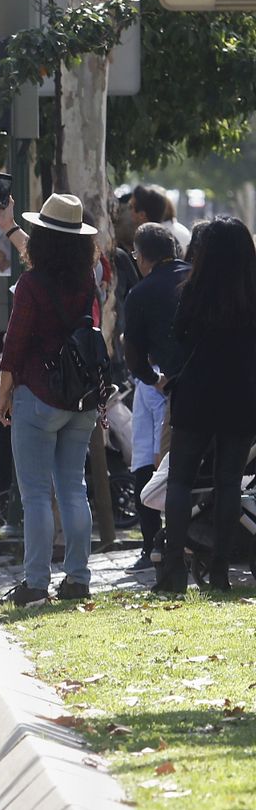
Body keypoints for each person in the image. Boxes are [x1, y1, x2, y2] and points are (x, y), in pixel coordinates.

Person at [0, 194, 100, 606]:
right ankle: (78, 578)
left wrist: (4, 391)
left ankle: (36, 583)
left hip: (37, 395)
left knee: (36, 494)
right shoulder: (87, 277)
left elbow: (15, 342)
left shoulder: (32, 284)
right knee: (74, 489)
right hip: (81, 396)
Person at [155, 215, 256, 594]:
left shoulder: (195, 291)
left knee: (180, 479)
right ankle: (220, 571)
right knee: (229, 482)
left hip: (198, 391)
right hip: (242, 392)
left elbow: (178, 338)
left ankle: (172, 571)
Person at [122, 222, 188, 576]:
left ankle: (157, 545)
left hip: (165, 386)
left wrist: (153, 380)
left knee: (151, 464)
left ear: (143, 257)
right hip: (201, 380)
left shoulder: (142, 292)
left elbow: (133, 354)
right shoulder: (197, 279)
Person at [130, 183, 191, 257]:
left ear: (142, 215)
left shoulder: (153, 243)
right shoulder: (172, 234)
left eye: (131, 207)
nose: (130, 212)